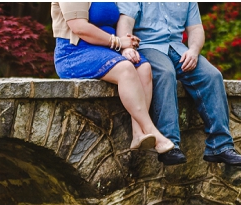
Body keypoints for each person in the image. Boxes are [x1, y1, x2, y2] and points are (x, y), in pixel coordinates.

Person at [115, 3, 241, 167]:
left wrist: (194, 50)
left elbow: (195, 29)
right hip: (147, 47)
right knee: (165, 73)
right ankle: (169, 145)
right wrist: (126, 48)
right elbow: (125, 22)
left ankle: (220, 147)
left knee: (212, 76)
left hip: (179, 49)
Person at [52, 2, 174, 154]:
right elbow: (80, 28)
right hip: (74, 52)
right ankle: (152, 131)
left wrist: (126, 48)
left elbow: (122, 23)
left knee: (143, 68)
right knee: (126, 69)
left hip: (107, 50)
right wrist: (118, 42)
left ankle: (138, 133)